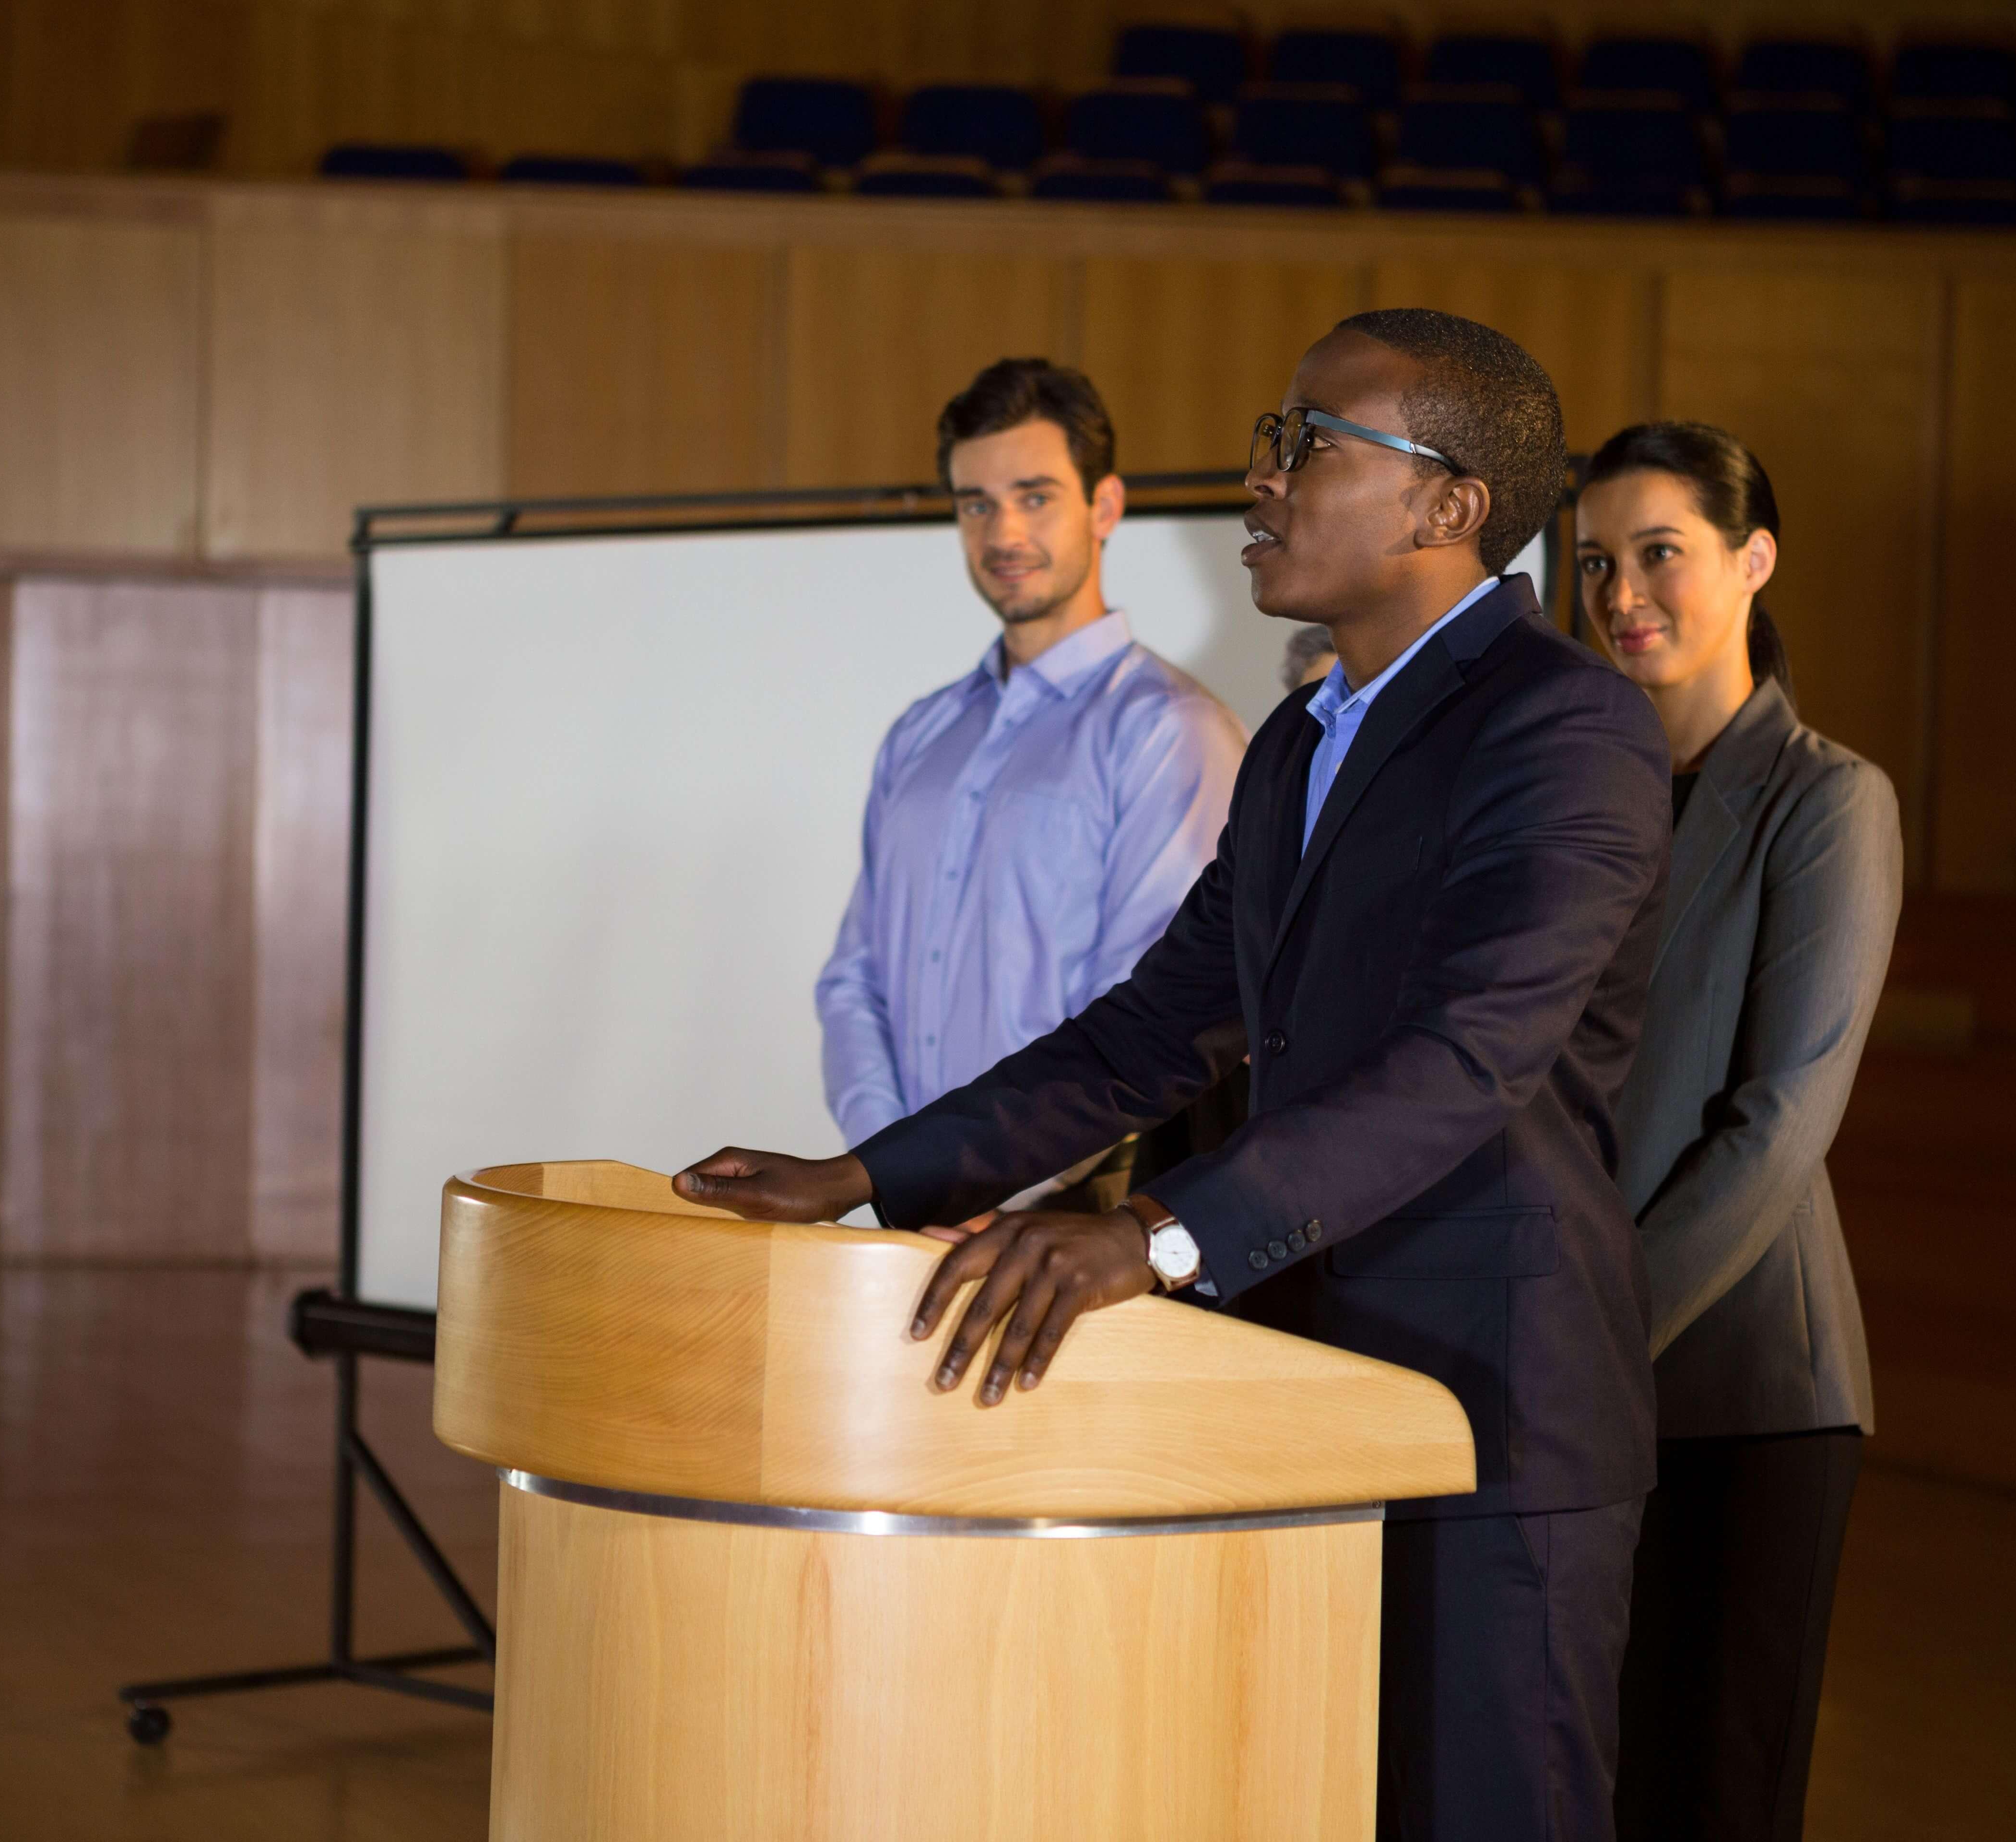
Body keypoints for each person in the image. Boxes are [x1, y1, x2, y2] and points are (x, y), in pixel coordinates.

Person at [680, 309, 1674, 1842]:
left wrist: (1152, 1236)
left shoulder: (1567, 724)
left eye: (1306, 444)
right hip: (1288, 1396)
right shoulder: (1295, 741)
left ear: (1450, 505)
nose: (1259, 480)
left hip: (1496, 1413)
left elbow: (1469, 1058)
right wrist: (869, 1173)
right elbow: (1157, 1032)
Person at [1570, 423, 1901, 1842]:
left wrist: (1583, 1335)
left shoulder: (1829, 799)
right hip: (1583, 1382)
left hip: (1746, 1395)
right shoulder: (1584, 805)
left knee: (1715, 1798)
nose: (1623, 594)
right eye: (1596, 564)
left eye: (1662, 553)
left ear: (1754, 561)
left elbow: (1777, 1130)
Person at [813, 357, 1245, 1210]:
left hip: (1072, 1230)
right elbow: (854, 980)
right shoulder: (920, 735)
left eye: (1035, 496)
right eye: (977, 504)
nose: (1003, 533)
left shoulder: (1170, 732)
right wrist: (896, 1169)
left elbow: (1149, 1019)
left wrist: (962, 1184)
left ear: (1106, 506)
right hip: (906, 1221)